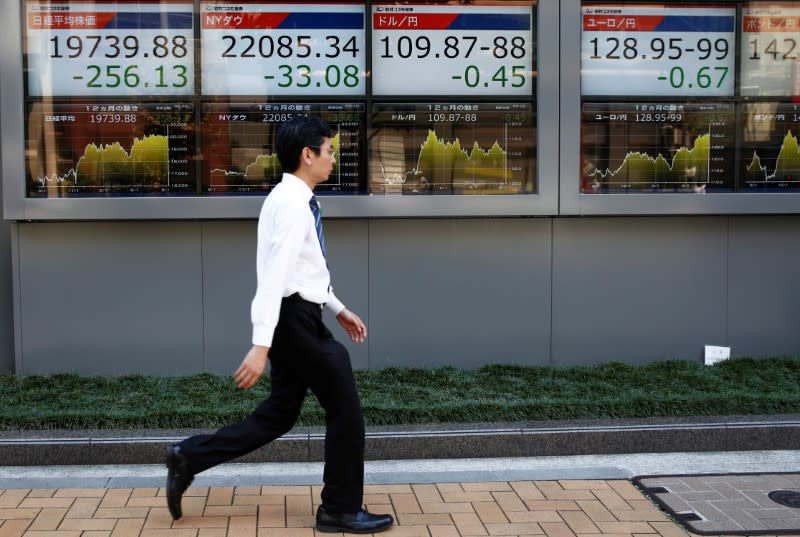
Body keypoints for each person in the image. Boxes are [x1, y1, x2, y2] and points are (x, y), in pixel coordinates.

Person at [165, 115, 394, 534]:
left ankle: (189, 457)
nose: (333, 158)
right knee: (346, 410)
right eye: (329, 150)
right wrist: (261, 343)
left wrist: (337, 308)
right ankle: (339, 509)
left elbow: (303, 272)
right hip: (292, 321)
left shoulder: (296, 199)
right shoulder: (291, 205)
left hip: (299, 316)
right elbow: (274, 278)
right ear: (308, 155)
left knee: (278, 415)